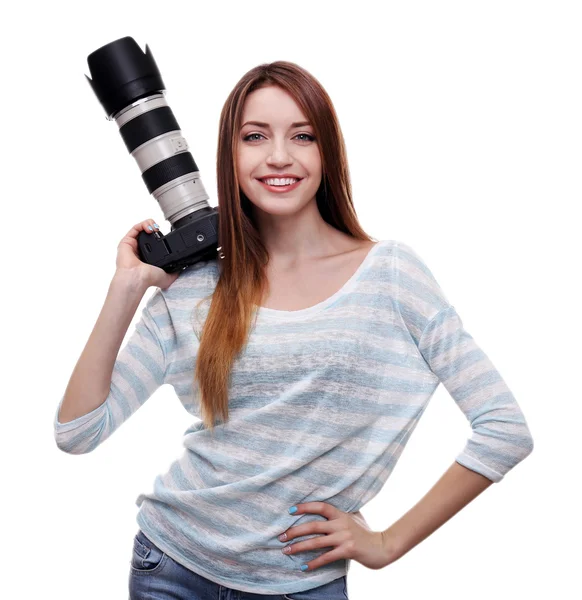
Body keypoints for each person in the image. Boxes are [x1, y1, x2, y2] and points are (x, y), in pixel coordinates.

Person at [54, 61, 534, 600]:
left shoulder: (391, 275)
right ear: (228, 157)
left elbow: (505, 430)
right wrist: (126, 289)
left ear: (327, 152)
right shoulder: (193, 289)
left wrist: (387, 544)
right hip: (172, 565)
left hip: (300, 584)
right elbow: (78, 432)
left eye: (302, 136)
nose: (278, 156)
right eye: (255, 137)